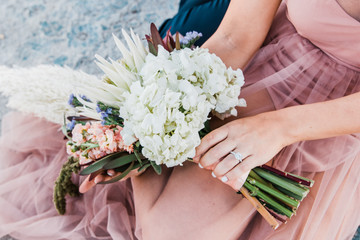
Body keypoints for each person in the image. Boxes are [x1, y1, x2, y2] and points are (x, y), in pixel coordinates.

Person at [0, 0, 359, 240]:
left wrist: (277, 127)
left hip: (339, 117)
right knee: (162, 220)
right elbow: (236, 35)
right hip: (277, 66)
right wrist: (147, 112)